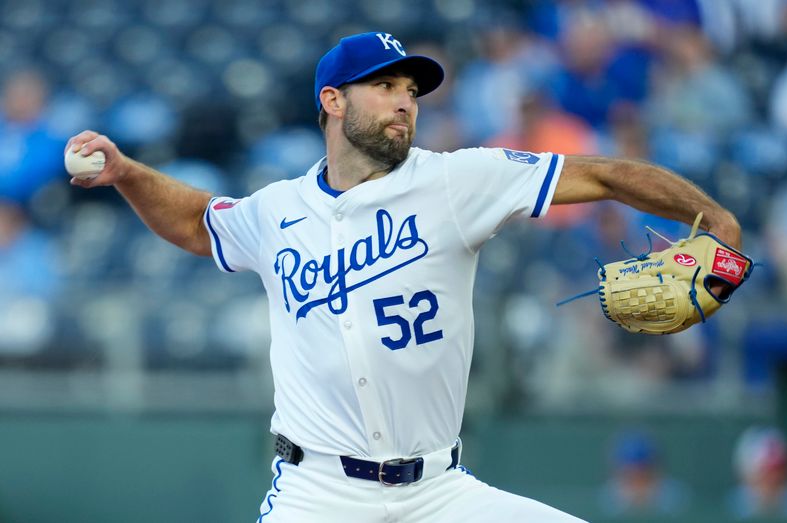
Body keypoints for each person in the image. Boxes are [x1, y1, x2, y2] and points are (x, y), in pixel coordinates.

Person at [66, 31, 742, 523]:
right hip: (318, 494)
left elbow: (601, 172)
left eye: (411, 90)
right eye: (384, 86)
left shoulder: (456, 181)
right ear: (332, 100)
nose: (403, 103)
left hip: (439, 491)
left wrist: (710, 215)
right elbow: (194, 222)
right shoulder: (276, 212)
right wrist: (127, 172)